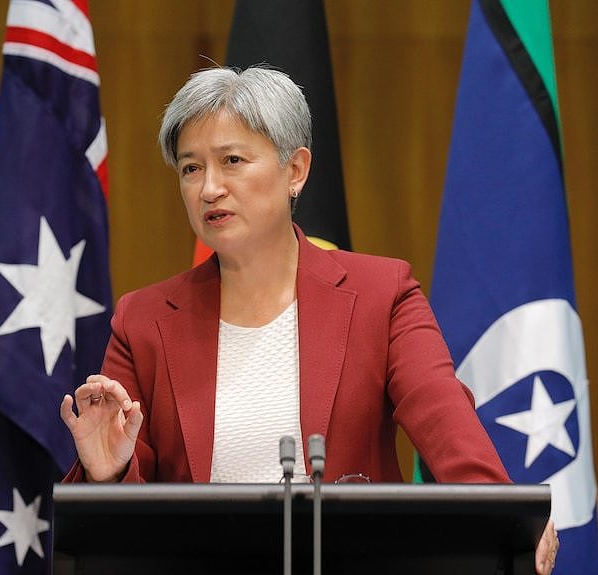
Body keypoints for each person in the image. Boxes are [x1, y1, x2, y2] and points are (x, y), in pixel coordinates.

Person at [59, 65, 559, 574]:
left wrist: (507, 516)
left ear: (295, 171)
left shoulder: (381, 296)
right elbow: (118, 529)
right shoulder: (143, 321)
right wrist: (108, 472)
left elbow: (448, 428)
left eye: (232, 160)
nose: (209, 188)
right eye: (191, 168)